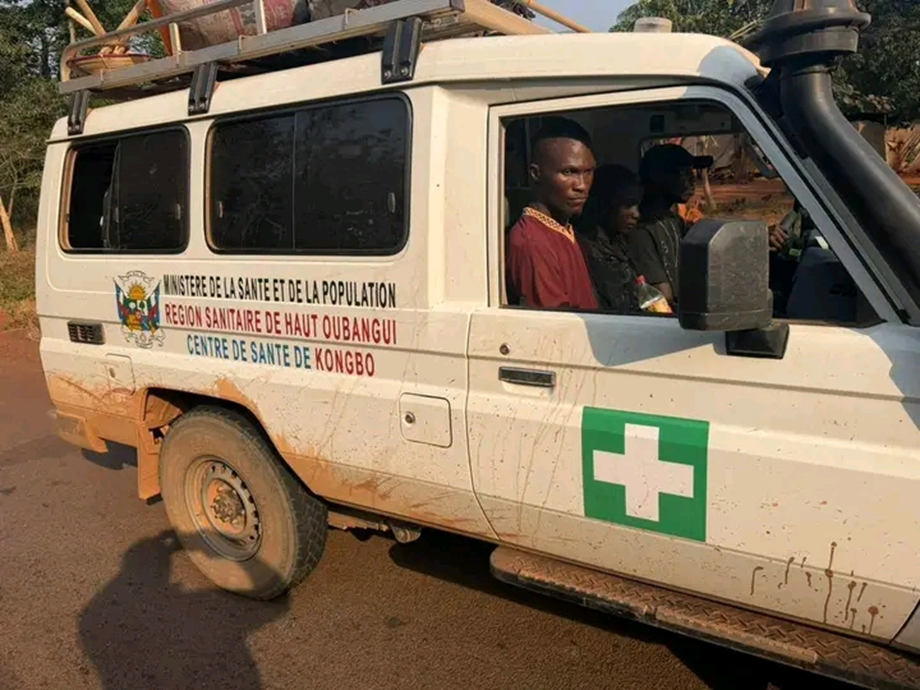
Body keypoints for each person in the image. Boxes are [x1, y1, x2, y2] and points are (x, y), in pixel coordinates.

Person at [506, 117, 598, 310]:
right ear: (535, 174)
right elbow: (556, 324)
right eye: (568, 172)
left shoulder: (563, 229)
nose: (582, 185)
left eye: (588, 172)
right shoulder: (532, 242)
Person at [627, 143, 713, 308]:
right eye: (684, 174)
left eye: (692, 173)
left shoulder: (672, 220)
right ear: (660, 178)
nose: (692, 180)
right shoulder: (641, 231)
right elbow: (662, 298)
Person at [576, 164, 645, 313]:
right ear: (607, 204)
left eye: (637, 206)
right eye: (628, 205)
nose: (636, 214)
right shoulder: (586, 249)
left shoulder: (620, 244)